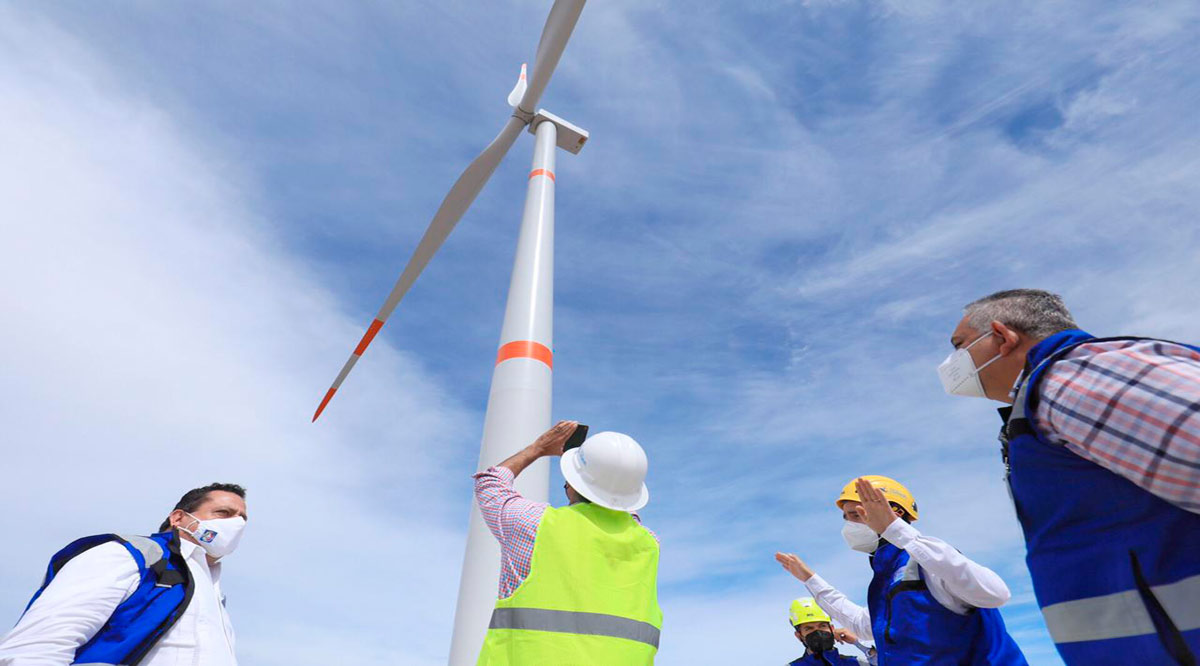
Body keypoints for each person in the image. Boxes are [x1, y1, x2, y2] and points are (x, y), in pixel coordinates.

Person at [940, 288, 1200, 664]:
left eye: (960, 345)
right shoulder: (1051, 395)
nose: (952, 362)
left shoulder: (1071, 379)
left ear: (1002, 337)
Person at [776, 476, 1027, 665]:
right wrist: (810, 579)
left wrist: (897, 530)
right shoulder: (886, 576)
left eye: (855, 514)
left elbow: (995, 593)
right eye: (846, 517)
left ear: (893, 512)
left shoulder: (927, 558)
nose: (849, 525)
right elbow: (863, 624)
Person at [473, 420, 662, 665]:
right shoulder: (649, 544)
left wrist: (538, 449)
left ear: (571, 483)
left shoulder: (534, 525)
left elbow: (489, 483)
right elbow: (626, 511)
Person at [0, 483, 247, 666]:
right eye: (223, 513)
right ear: (178, 518)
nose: (236, 524)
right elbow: (37, 647)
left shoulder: (214, 595)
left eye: (242, 519)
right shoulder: (131, 556)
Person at [786, 597, 871, 665]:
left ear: (832, 629)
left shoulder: (856, 663)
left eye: (822, 626)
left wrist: (859, 643)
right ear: (799, 636)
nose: (817, 632)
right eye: (809, 628)